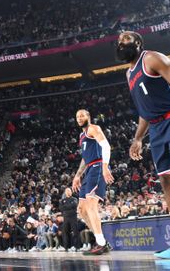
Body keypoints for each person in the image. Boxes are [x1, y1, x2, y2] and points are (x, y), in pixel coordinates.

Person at [119, 31, 170, 259]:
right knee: (166, 181)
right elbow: (144, 110)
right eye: (119, 42)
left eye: (125, 40)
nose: (121, 44)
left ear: (138, 43)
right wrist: (138, 138)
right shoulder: (128, 73)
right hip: (156, 127)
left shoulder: (152, 58)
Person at [71, 108, 113, 255]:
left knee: (91, 205)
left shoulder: (93, 128)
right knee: (82, 210)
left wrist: (105, 167)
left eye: (82, 115)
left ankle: (101, 244)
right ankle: (101, 240)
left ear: (88, 116)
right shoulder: (82, 135)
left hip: (98, 166)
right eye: (77, 116)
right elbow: (85, 158)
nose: (79, 118)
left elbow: (106, 145)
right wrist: (77, 175)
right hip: (89, 168)